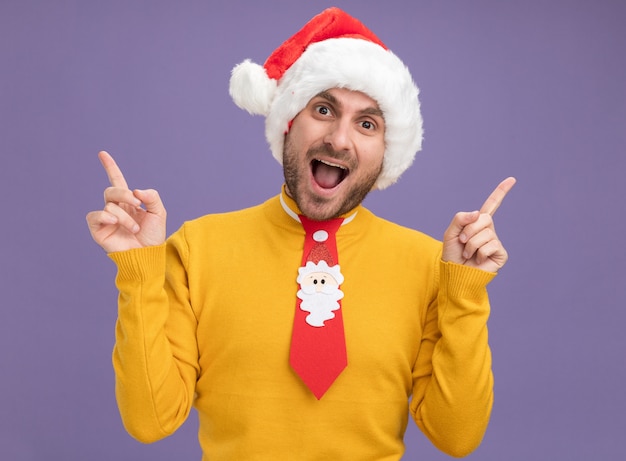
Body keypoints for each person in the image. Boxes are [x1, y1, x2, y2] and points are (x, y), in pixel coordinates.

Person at [86, 7, 515, 460]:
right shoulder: (197, 249)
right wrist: (138, 272)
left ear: (386, 152)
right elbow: (151, 422)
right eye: (324, 109)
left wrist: (465, 293)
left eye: (366, 123)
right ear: (288, 122)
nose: (340, 140)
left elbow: (457, 436)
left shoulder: (430, 265)